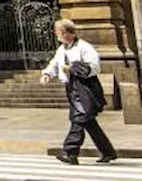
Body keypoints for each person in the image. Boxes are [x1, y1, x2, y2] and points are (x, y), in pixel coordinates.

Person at [41, 19, 117, 164]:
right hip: (72, 86)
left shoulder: (84, 47)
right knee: (87, 121)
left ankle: (70, 152)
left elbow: (94, 67)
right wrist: (47, 74)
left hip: (85, 86)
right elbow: (55, 64)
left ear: (65, 33)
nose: (56, 34)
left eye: (58, 31)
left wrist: (72, 68)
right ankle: (108, 152)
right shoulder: (62, 49)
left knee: (80, 117)